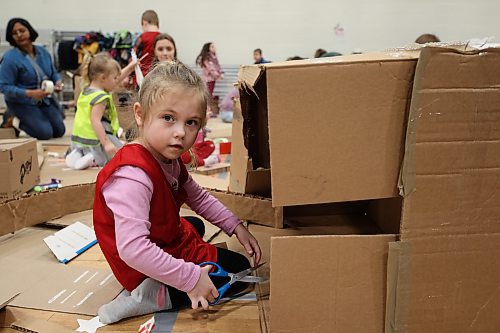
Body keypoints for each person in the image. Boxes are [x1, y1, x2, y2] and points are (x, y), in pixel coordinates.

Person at [93, 61, 261, 324]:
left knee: (193, 224)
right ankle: (153, 294)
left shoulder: (167, 157)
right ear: (140, 114)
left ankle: (169, 277)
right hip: (135, 264)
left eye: (191, 122)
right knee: (238, 270)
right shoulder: (133, 175)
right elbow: (133, 249)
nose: (180, 132)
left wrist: (235, 226)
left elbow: (199, 197)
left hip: (158, 238)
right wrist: (190, 278)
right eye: (168, 118)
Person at [65, 53, 137, 170]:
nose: (116, 81)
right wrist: (107, 143)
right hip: (96, 139)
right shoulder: (101, 98)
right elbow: (95, 121)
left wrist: (130, 67)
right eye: (114, 78)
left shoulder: (87, 90)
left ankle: (78, 154)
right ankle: (92, 158)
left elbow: (116, 78)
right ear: (103, 78)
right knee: (121, 154)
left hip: (81, 138)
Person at [0, 18, 65, 140]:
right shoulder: (10, 58)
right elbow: (3, 87)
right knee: (44, 134)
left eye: (22, 30)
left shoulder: (43, 52)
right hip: (21, 102)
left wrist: (58, 81)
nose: (19, 35)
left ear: (29, 31)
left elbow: (53, 72)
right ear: (11, 37)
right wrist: (30, 93)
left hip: (43, 100)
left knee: (59, 131)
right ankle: (13, 118)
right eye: (14, 33)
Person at [135, 10, 161, 76]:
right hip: (158, 74)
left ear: (145, 23)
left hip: (142, 74)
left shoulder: (142, 38)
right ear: (158, 23)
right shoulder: (163, 38)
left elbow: (134, 57)